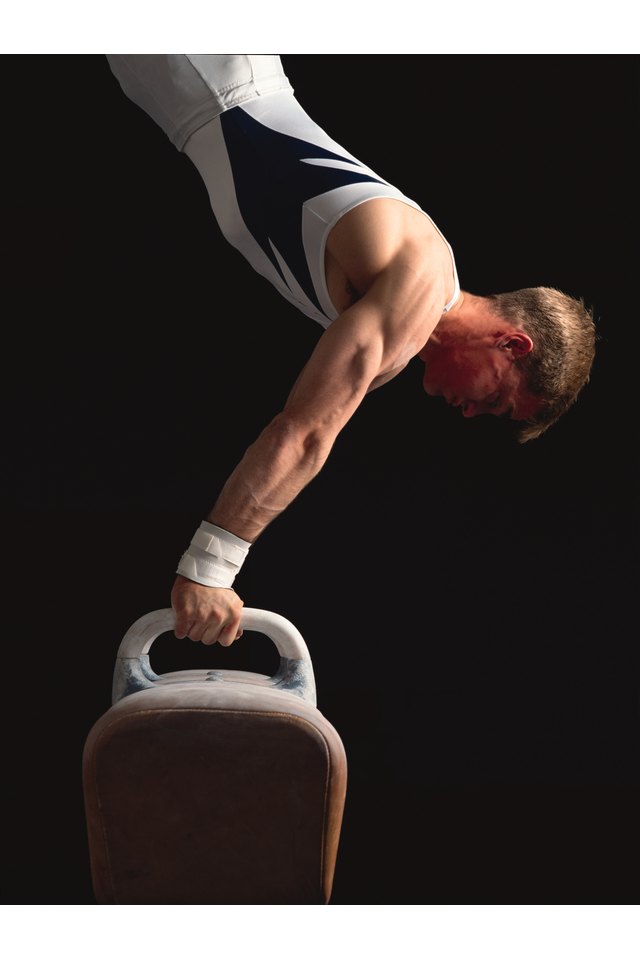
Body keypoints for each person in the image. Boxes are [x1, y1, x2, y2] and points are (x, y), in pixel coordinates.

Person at [105, 54, 596, 648]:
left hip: (178, 87)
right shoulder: (419, 288)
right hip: (210, 59)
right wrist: (210, 568)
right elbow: (307, 434)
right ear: (512, 345)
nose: (468, 414)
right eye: (492, 401)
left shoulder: (404, 318)